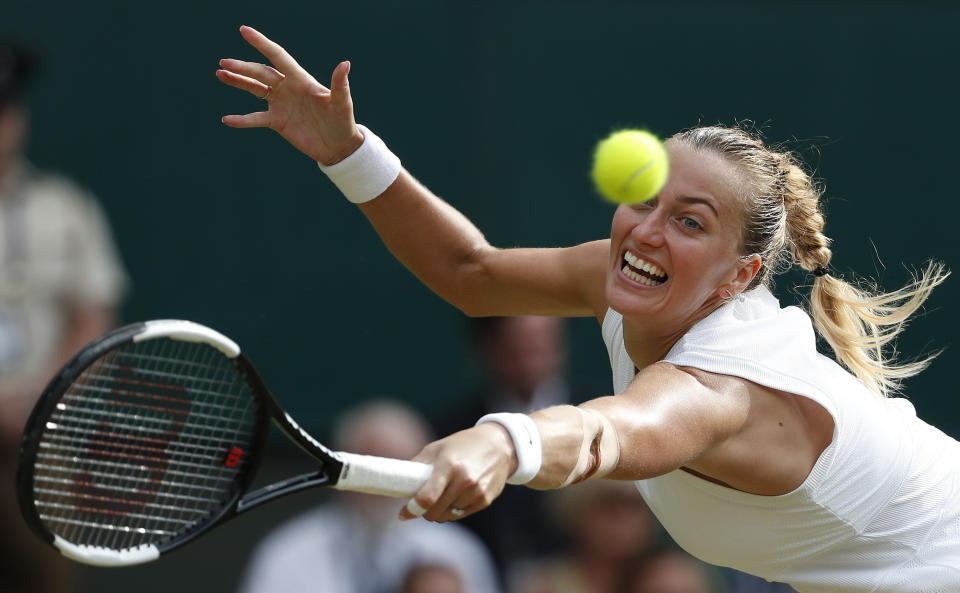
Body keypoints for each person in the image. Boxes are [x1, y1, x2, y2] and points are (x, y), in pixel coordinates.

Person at [216, 26, 958, 593]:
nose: (647, 229)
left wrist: (504, 442)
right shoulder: (626, 278)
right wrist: (347, 152)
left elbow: (606, 429)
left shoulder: (718, 391)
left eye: (691, 221)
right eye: (646, 197)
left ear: (742, 277)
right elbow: (471, 271)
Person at [0, 40, 128, 593]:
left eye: (4, 110)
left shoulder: (65, 207)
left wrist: (42, 396)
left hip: (33, 440)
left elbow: (93, 316)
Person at [237, 400, 500, 593]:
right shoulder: (287, 553)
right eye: (374, 463)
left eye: (400, 466)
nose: (384, 483)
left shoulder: (460, 554)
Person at [435, 315, 578, 581]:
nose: (531, 357)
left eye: (542, 344)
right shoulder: (451, 432)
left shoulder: (597, 417)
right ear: (489, 347)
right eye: (519, 347)